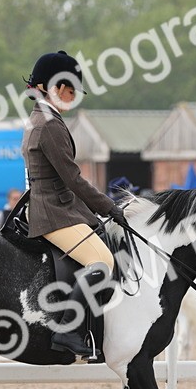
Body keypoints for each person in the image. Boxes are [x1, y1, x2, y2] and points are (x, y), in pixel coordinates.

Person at [22, 50, 127, 361]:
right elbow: (72, 179)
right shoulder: (50, 125)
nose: (71, 96)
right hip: (54, 213)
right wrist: (109, 206)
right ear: (50, 87)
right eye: (68, 89)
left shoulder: (38, 119)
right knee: (102, 263)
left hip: (56, 206)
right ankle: (68, 328)